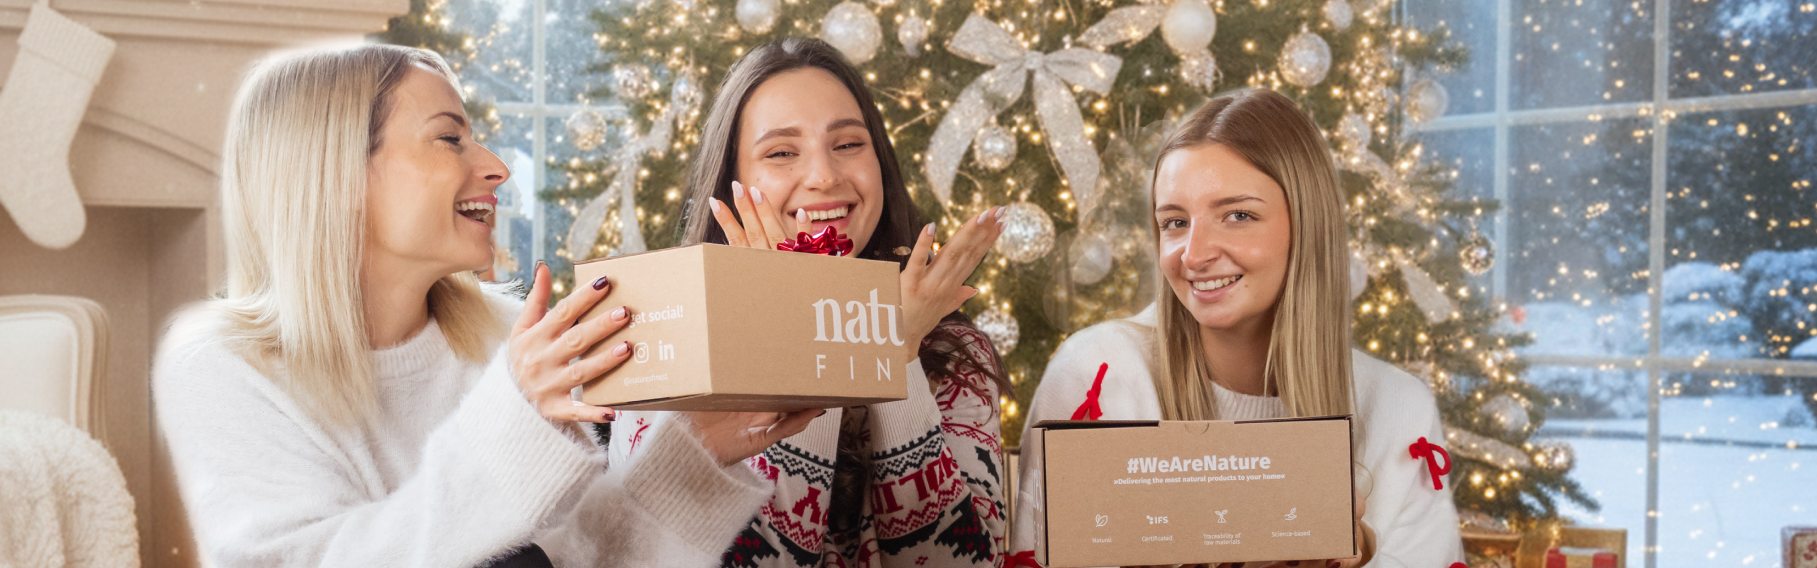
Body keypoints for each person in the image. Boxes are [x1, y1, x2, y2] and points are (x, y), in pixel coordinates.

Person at [153, 44, 821, 568]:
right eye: (450, 139)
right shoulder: (222, 367)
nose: (497, 166)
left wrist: (696, 449)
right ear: (337, 172)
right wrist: (511, 422)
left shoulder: (506, 341)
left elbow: (585, 561)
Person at [1009, 89, 1464, 568]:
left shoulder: (1398, 410)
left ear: (1307, 226)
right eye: (1175, 222)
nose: (1194, 255)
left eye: (1238, 215)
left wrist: (1359, 558)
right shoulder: (1096, 377)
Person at [606, 38, 1011, 568]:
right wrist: (807, 335)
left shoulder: (954, 350)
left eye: (848, 144)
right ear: (732, 182)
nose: (824, 176)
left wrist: (895, 353)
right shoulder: (662, 344)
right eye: (781, 153)